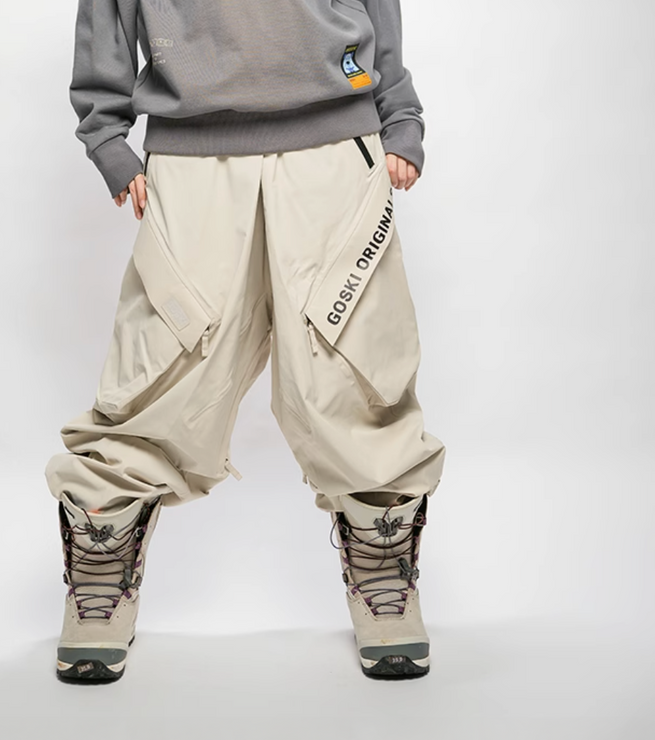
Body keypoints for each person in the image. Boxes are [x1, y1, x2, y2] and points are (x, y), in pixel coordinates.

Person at [47, 0, 446, 683]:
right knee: (161, 377)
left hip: (336, 147)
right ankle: (102, 563)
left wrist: (399, 114)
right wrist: (107, 134)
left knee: (352, 373)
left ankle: (382, 562)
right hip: (191, 155)